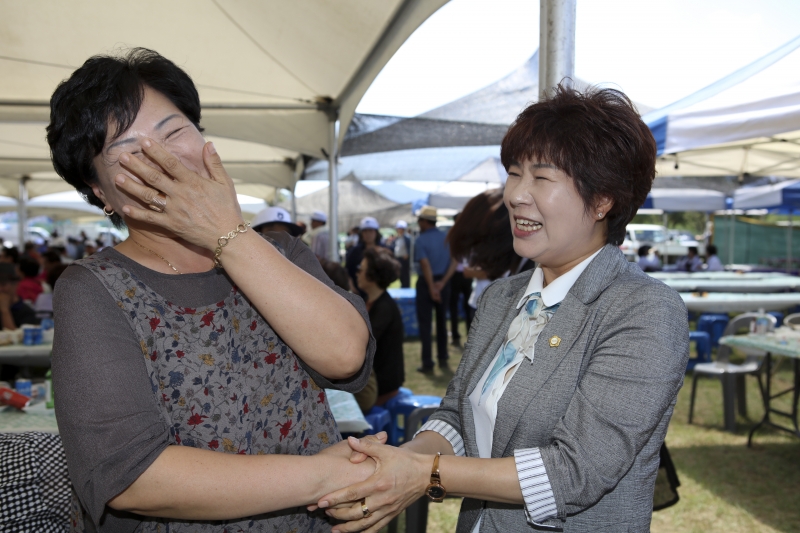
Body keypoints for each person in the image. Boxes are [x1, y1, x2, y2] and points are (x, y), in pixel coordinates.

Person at [316, 86, 690, 533]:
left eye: (542, 178)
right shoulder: (501, 298)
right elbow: (457, 415)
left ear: (602, 200)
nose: (515, 195)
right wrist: (396, 463)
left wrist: (423, 474)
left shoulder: (643, 310)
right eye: (514, 173)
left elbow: (572, 472)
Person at [46, 48, 379, 532]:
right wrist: (326, 475)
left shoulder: (279, 252)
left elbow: (346, 356)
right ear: (100, 191)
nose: (161, 158)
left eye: (175, 131)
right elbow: (135, 476)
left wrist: (226, 233)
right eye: (127, 149)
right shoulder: (91, 290)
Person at [447, 189, 523, 337]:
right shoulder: (482, 247)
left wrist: (487, 271)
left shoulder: (522, 257)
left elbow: (477, 271)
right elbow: (468, 271)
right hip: (480, 303)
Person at [356, 247, 405, 406]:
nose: (357, 273)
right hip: (374, 379)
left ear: (373, 275)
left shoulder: (384, 307)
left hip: (382, 384)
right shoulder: (370, 301)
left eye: (360, 269)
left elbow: (363, 344)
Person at [413, 205, 452, 373]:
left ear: (423, 221)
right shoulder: (446, 238)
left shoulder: (421, 240)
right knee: (442, 321)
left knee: (425, 324)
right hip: (443, 282)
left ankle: (427, 362)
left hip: (427, 283)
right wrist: (442, 283)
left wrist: (431, 287)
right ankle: (443, 357)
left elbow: (425, 264)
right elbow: (454, 261)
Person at [345, 217, 384, 298]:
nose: (368, 234)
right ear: (361, 233)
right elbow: (347, 270)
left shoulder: (383, 251)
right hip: (358, 294)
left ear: (376, 232)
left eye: (371, 231)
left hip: (378, 293)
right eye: (365, 231)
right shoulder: (354, 252)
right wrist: (352, 287)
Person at [391, 220, 411, 288]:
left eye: (401, 229)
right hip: (398, 259)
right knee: (400, 275)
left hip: (404, 259)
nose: (400, 230)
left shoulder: (407, 238)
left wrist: (408, 254)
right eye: (399, 229)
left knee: (405, 275)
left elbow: (411, 248)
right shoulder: (397, 238)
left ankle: (406, 287)